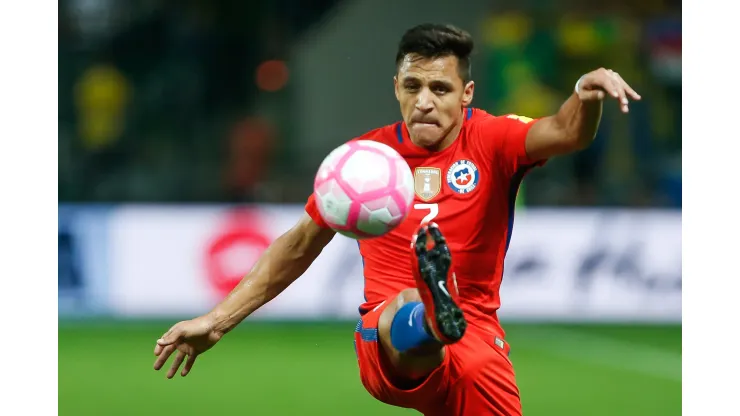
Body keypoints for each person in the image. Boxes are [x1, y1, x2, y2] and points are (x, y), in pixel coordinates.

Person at [153, 23, 640, 415]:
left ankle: (437, 314)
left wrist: (586, 92)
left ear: (466, 93)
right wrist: (217, 321)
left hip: (476, 343)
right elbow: (300, 243)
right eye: (412, 86)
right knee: (405, 303)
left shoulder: (493, 139)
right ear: (396, 88)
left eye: (439, 88)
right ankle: (430, 313)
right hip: (388, 341)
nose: (424, 100)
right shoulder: (361, 162)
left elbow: (567, 132)